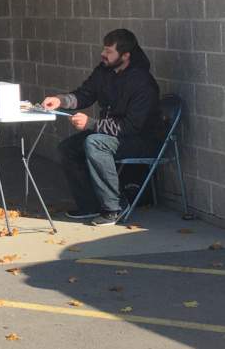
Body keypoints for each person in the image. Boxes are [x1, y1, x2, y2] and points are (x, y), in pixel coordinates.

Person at [42, 29, 163, 227]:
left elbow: (131, 126)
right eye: (104, 49)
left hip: (141, 139)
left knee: (95, 142)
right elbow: (85, 94)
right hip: (111, 133)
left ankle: (113, 208)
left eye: (109, 51)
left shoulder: (143, 83)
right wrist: (60, 100)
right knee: (68, 148)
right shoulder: (104, 71)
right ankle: (89, 205)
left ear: (125, 56)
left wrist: (92, 124)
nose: (103, 54)